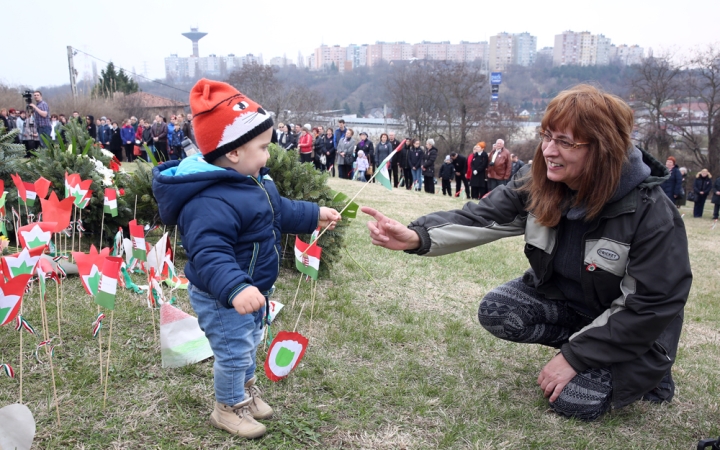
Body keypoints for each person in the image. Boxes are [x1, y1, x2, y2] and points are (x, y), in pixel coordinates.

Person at [361, 84, 691, 422]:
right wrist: (416, 236)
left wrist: (575, 358)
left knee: (575, 401)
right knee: (498, 311)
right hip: (575, 308)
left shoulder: (652, 214)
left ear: (603, 147)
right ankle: (583, 347)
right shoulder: (540, 181)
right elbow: (483, 216)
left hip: (639, 334)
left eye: (565, 142)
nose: (548, 150)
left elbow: (651, 305)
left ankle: (648, 374)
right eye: (547, 136)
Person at [152, 79, 341, 439]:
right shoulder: (210, 200)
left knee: (249, 343)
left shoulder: (253, 182)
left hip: (251, 289)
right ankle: (227, 407)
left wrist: (314, 214)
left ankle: (245, 394)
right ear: (235, 152)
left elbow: (280, 211)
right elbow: (210, 254)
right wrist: (236, 288)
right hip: (225, 295)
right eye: (263, 147)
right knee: (233, 351)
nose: (269, 155)